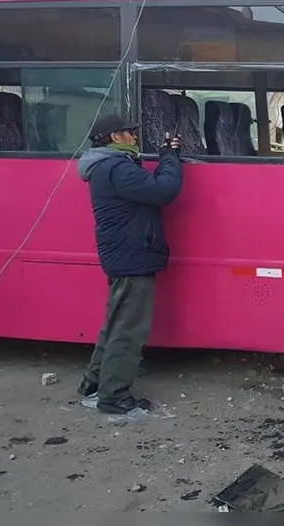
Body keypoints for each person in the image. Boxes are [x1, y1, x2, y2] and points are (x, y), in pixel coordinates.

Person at [75, 115, 183, 414]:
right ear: (113, 137)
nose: (134, 138)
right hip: (132, 257)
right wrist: (169, 157)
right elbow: (164, 190)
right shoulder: (116, 168)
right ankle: (114, 398)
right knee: (129, 330)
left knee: (115, 324)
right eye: (129, 133)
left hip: (125, 255)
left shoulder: (109, 167)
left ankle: (94, 385)